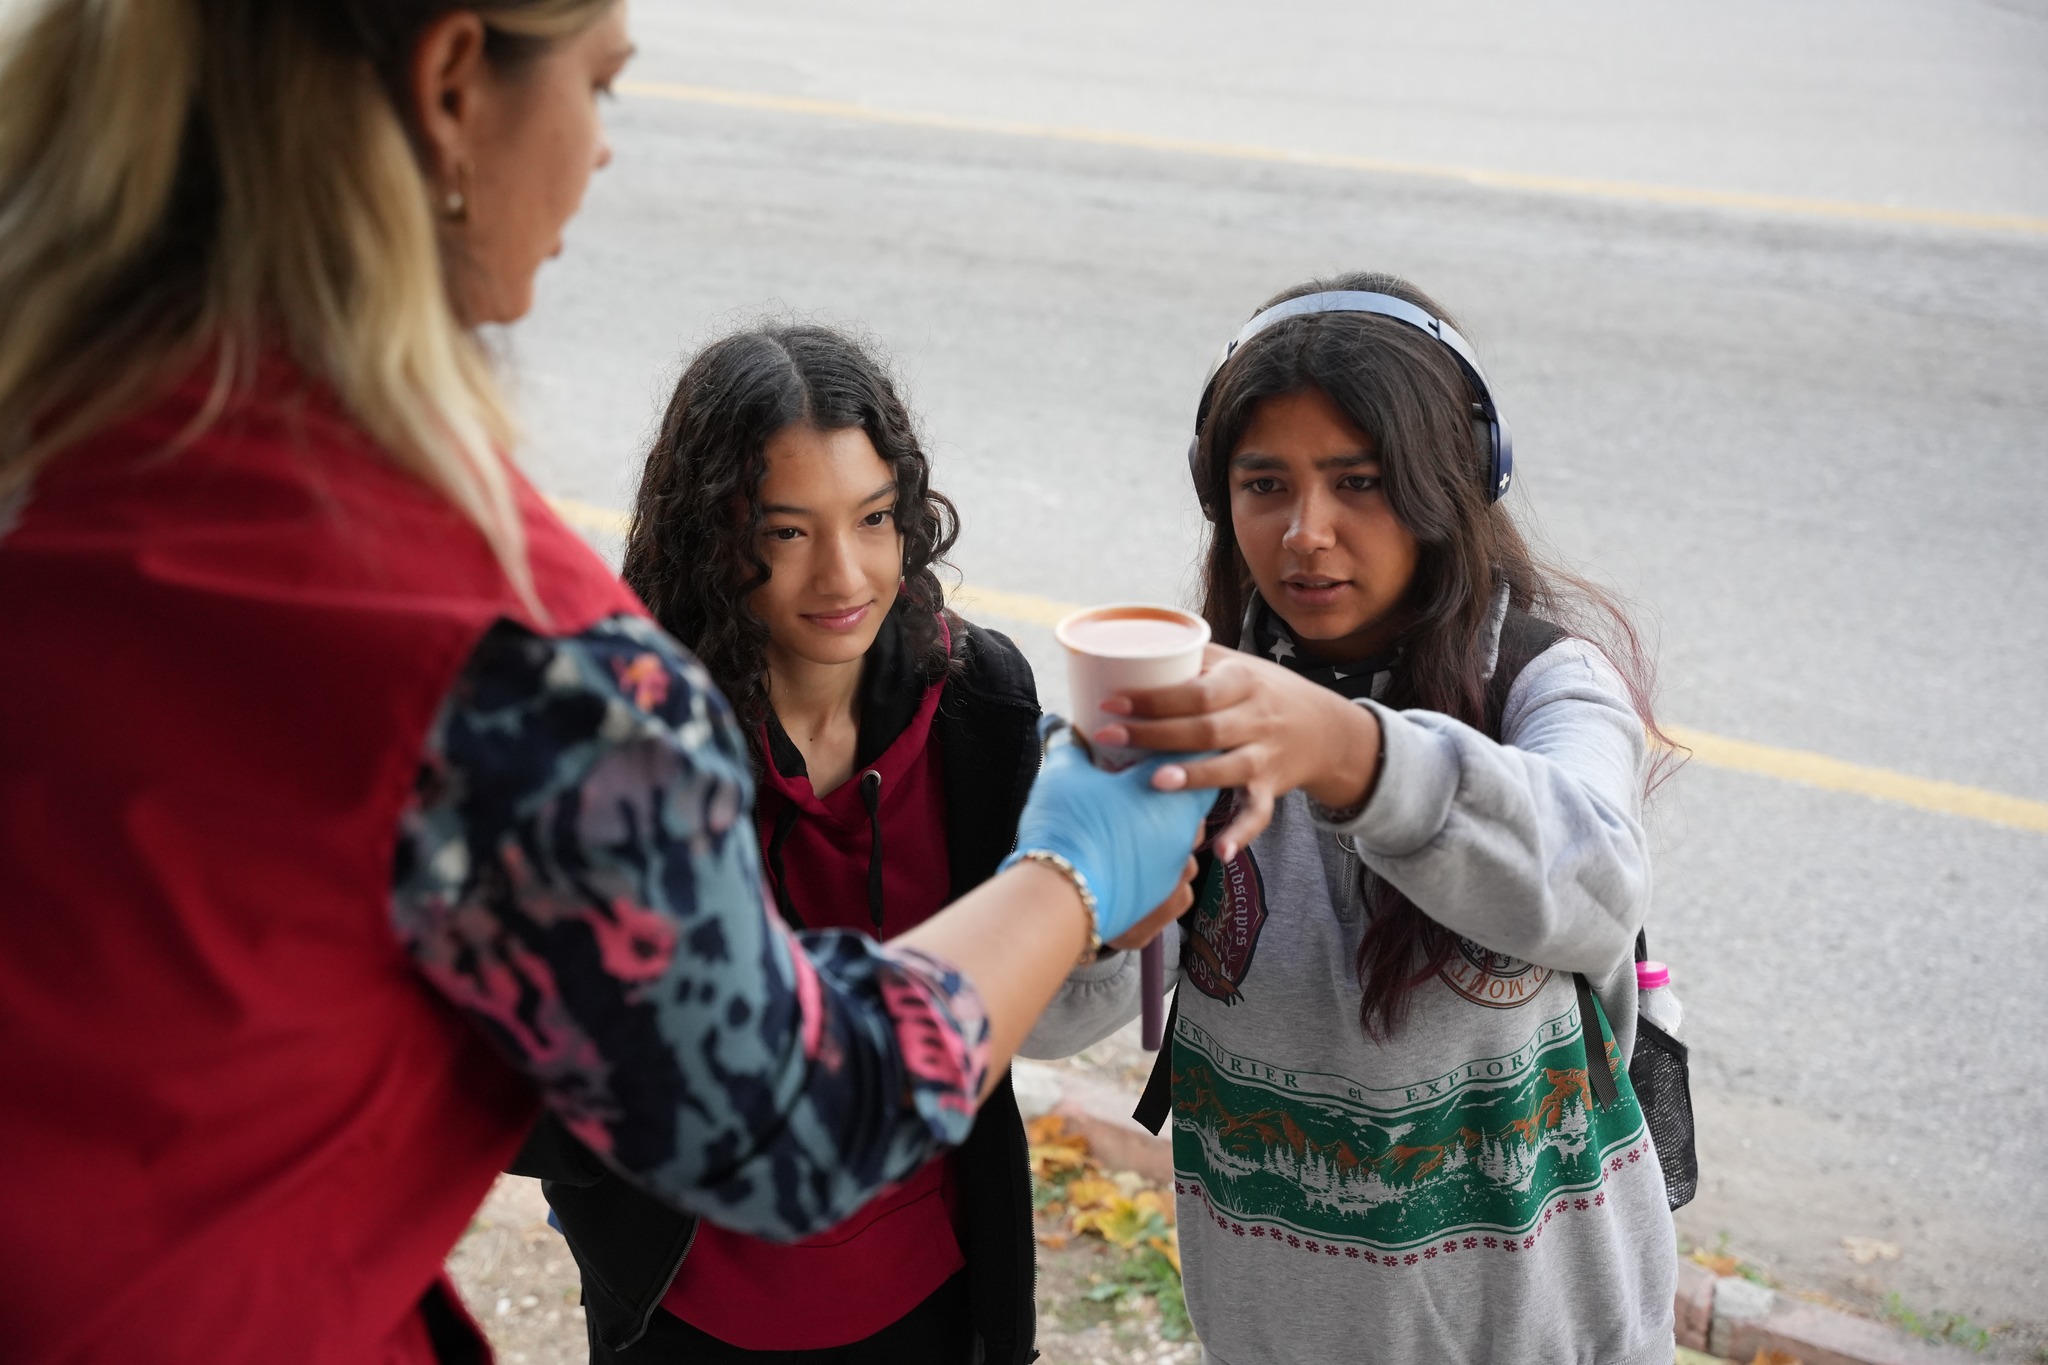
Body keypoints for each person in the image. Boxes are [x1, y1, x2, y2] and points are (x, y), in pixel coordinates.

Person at [0, 5, 1204, 1363]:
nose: (601, 155)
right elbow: (792, 1120)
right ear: (455, 79)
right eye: (602, 86)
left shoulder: (58, 460)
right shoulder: (508, 663)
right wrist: (1075, 864)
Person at [1024, 272, 1679, 1364]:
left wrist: (1347, 754)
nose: (1304, 533)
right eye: (1263, 484)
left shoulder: (1545, 684)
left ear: (1453, 482)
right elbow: (1042, 1022)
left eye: (1359, 481)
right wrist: (1104, 907)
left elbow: (1597, 885)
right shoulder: (1186, 712)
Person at [516, 323, 1089, 1362]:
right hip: (693, 1312)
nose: (844, 574)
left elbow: (1029, 1005)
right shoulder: (628, 742)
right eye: (786, 533)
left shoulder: (981, 701)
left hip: (932, 1286)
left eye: (873, 519)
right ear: (709, 538)